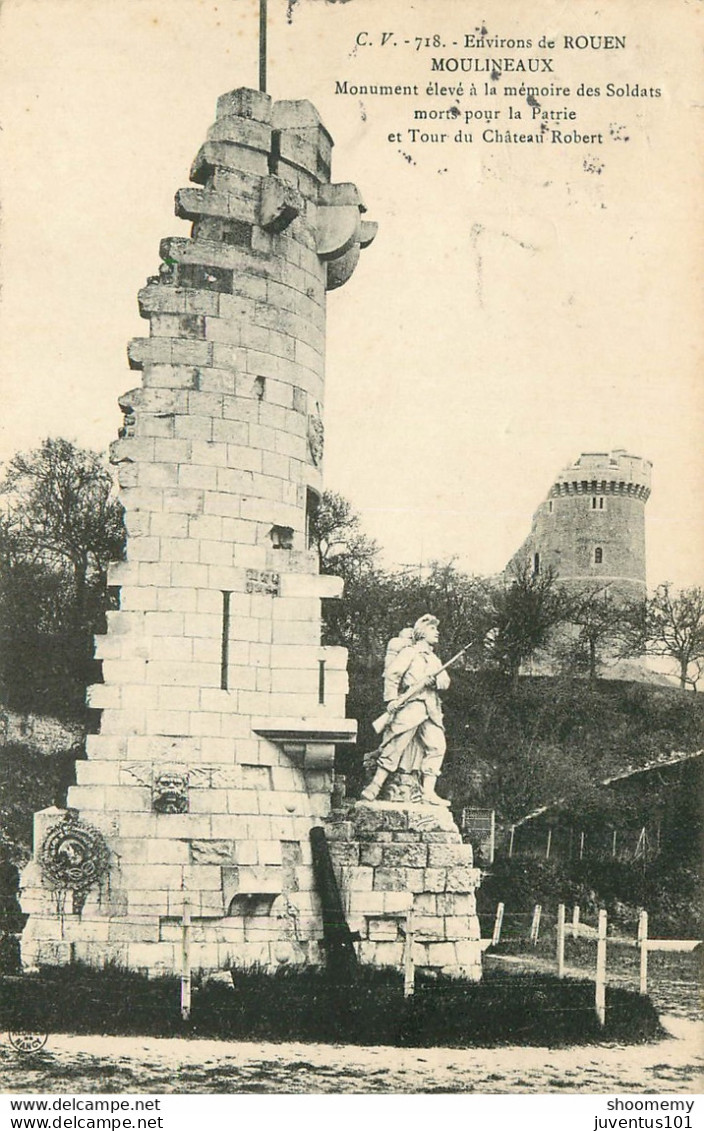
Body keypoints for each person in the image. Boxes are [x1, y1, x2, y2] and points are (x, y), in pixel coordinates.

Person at [361, 614, 451, 806]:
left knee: (437, 747)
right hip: (411, 705)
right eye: (433, 629)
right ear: (421, 631)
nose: (437, 632)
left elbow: (445, 681)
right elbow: (392, 675)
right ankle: (375, 785)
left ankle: (428, 791)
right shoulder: (409, 653)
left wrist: (434, 681)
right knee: (396, 744)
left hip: (431, 709)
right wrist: (392, 699)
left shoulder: (434, 659)